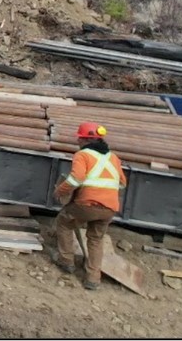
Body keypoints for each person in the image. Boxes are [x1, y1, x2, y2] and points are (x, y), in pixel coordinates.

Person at [51, 121, 126, 290]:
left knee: (64, 223)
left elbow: (75, 178)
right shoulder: (113, 157)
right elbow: (121, 184)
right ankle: (93, 277)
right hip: (110, 208)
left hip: (87, 204)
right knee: (96, 239)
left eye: (79, 138)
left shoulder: (82, 155)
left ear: (84, 140)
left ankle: (66, 261)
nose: (77, 142)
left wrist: (60, 191)